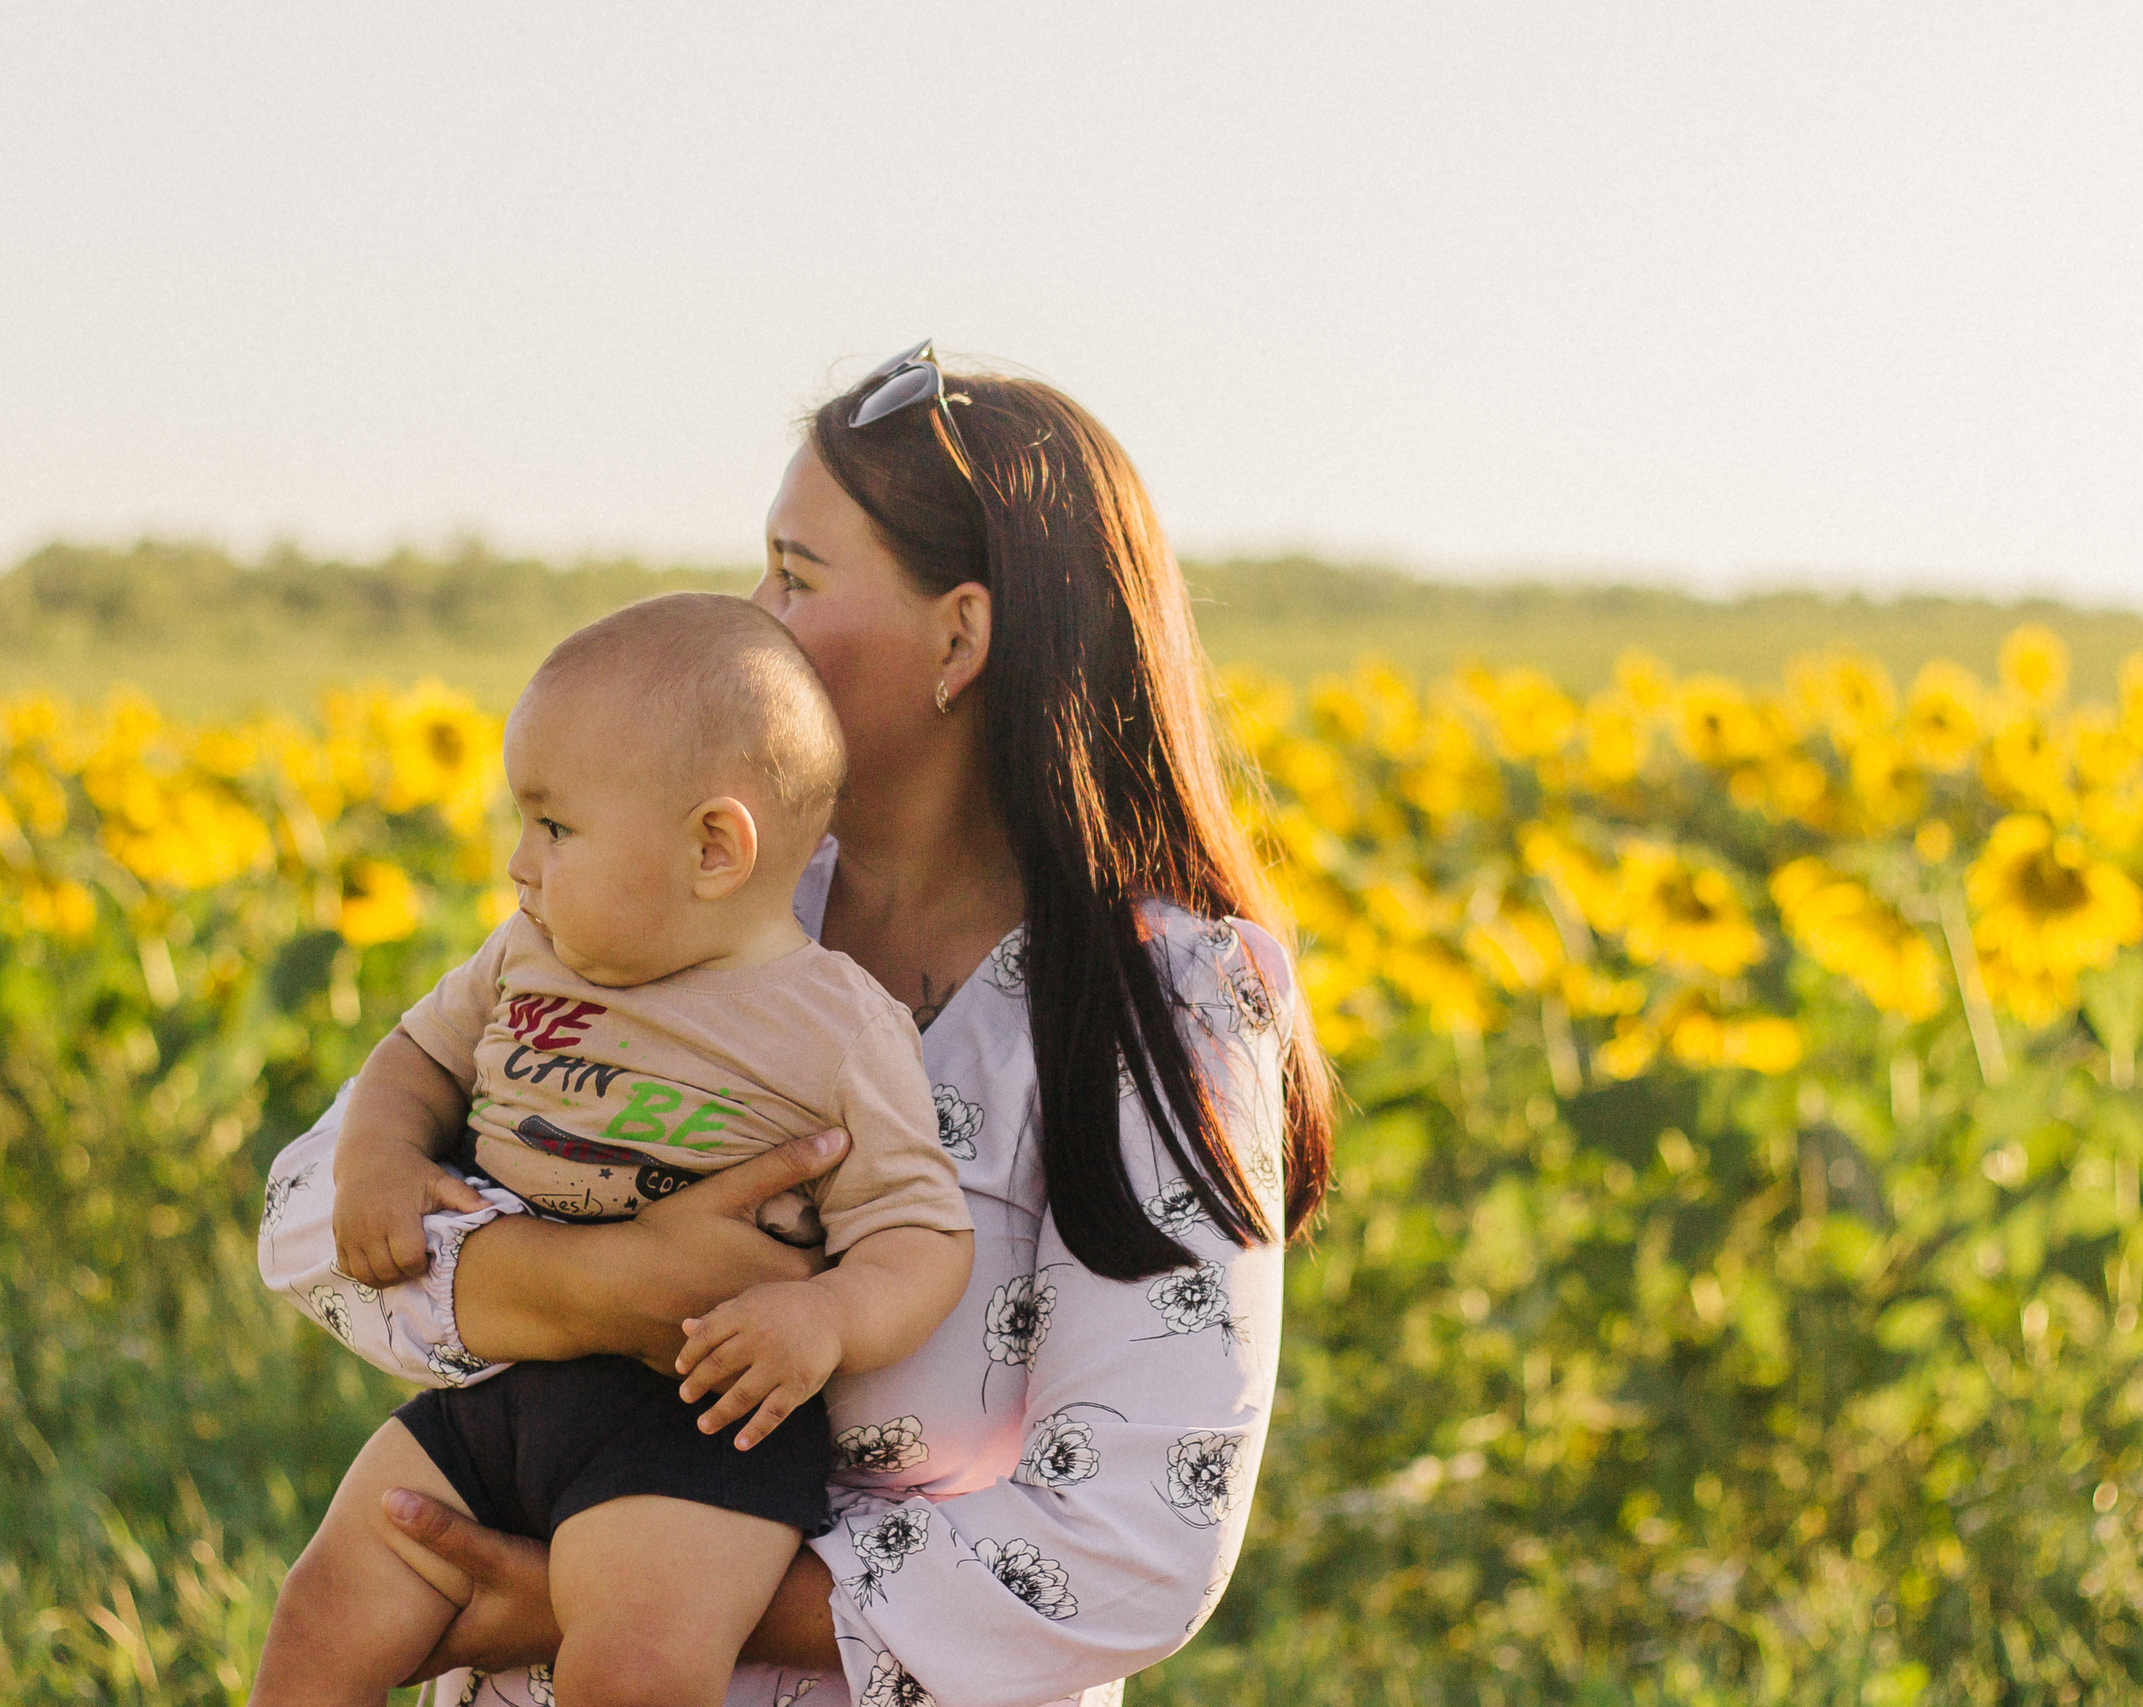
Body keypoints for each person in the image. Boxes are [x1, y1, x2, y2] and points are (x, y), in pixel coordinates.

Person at [261, 341, 1338, 1707]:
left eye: (796, 574)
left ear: (958, 638)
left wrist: (630, 1598)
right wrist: (601, 1281)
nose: (750, 615)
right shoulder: (688, 886)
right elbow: (310, 1219)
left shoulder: (1160, 1006)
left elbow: (1137, 1546)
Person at [252, 594, 976, 1707]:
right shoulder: (525, 954)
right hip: (503, 1383)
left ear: (713, 848)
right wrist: (379, 1162)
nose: (518, 864)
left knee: (633, 1670)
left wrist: (826, 1318)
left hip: (693, 1427)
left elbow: (918, 1234)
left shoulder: (836, 1024)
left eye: (554, 827)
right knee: (324, 1611)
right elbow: (413, 1061)